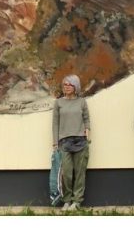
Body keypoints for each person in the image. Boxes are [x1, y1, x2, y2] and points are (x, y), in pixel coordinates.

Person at [52, 74, 90, 211]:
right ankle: (67, 200)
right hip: (64, 142)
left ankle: (77, 201)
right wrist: (55, 142)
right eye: (65, 84)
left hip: (80, 141)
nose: (66, 87)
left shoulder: (82, 102)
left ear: (76, 86)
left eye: (70, 84)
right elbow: (55, 123)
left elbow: (86, 119)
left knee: (80, 174)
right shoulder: (58, 103)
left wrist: (87, 133)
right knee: (66, 174)